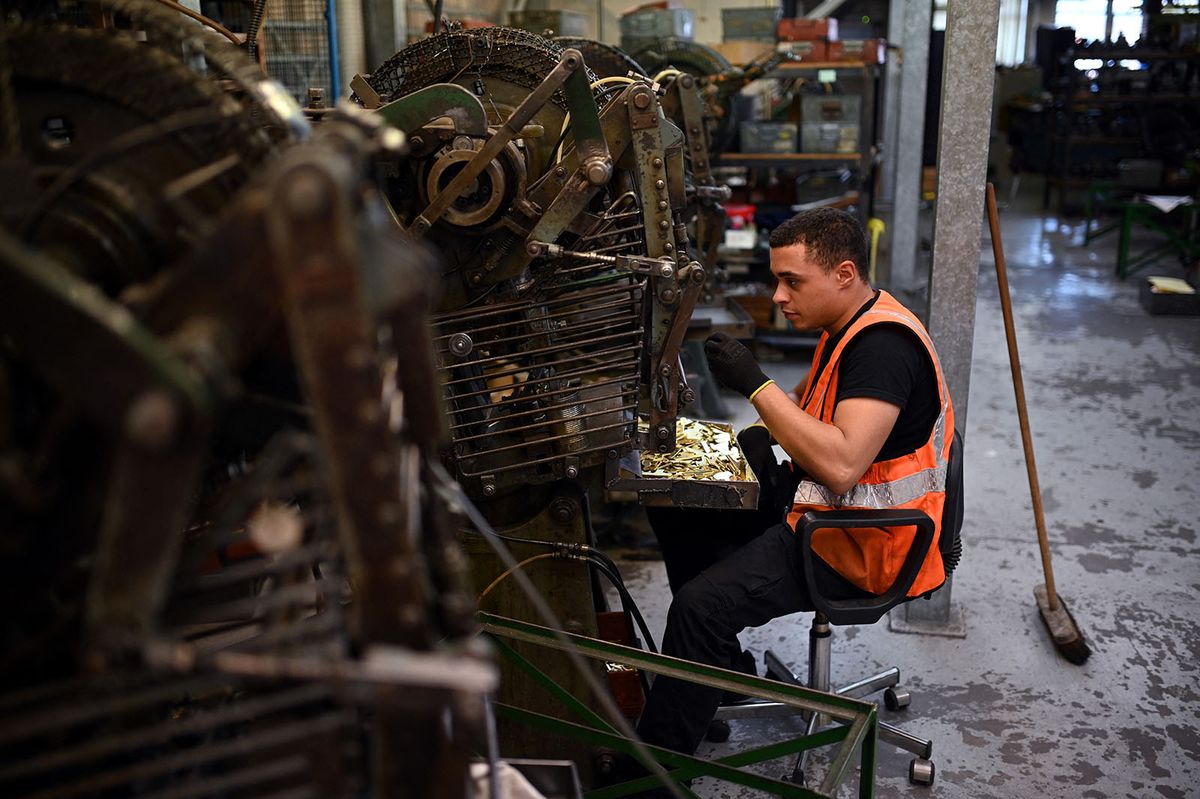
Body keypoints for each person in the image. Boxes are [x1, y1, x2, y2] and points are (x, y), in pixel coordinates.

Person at [634, 206, 956, 766]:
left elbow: (839, 467)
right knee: (679, 504)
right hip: (827, 518)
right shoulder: (846, 327)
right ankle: (720, 674)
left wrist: (755, 384)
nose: (779, 296)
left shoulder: (881, 350)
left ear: (844, 275)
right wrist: (744, 442)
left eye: (792, 281)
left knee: (699, 606)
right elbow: (805, 415)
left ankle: (653, 774)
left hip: (862, 543)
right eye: (776, 279)